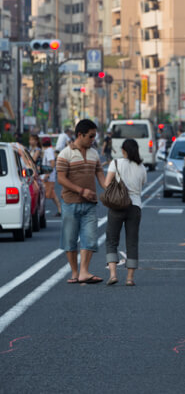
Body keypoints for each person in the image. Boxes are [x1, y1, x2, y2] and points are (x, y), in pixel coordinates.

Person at [56, 119, 107, 284]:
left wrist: (111, 190)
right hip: (70, 203)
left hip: (90, 204)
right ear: (80, 135)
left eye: (94, 136)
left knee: (90, 238)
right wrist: (81, 191)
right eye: (91, 136)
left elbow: (100, 175)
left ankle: (84, 271)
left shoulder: (94, 153)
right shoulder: (65, 154)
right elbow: (61, 179)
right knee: (70, 240)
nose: (93, 140)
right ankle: (75, 272)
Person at [105, 139, 147, 286]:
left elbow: (106, 184)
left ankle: (113, 274)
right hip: (135, 206)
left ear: (124, 150)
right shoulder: (141, 167)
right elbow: (142, 184)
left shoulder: (116, 163)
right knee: (132, 242)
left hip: (117, 205)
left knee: (111, 240)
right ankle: (130, 278)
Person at [41, 137, 61, 217]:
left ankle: (41, 212)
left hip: (48, 177)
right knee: (51, 195)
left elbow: (52, 163)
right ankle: (60, 210)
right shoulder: (48, 150)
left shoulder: (48, 151)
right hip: (49, 176)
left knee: (44, 194)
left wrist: (47, 174)